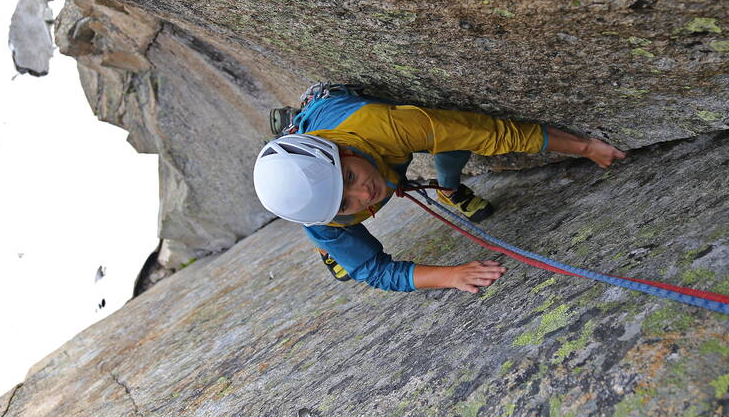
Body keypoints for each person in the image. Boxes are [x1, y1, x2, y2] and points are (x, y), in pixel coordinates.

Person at [253, 84, 625, 294]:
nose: (365, 196)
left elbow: (491, 133)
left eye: (349, 178)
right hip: (328, 187)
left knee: (450, 139)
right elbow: (375, 271)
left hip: (334, 112)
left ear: (345, 150)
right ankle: (332, 249)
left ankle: (450, 189)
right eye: (345, 204)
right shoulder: (324, 221)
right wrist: (450, 275)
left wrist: (586, 147)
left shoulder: (383, 127)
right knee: (345, 255)